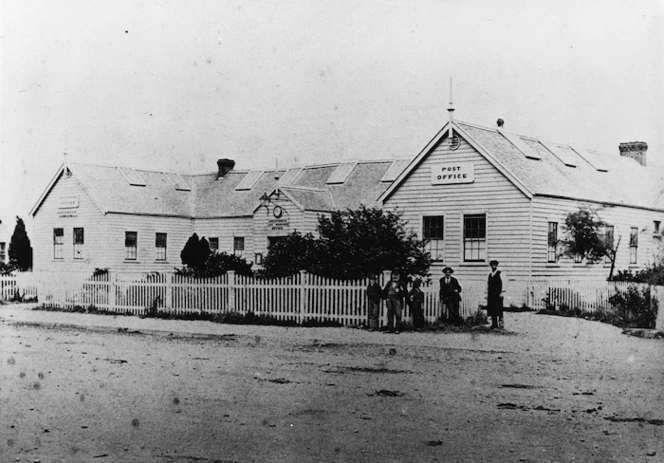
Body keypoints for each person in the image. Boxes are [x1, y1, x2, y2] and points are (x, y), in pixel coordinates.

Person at [382, 268, 407, 333]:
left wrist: (400, 291)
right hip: (390, 300)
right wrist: (386, 298)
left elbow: (406, 293)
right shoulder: (389, 283)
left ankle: (398, 329)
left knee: (398, 314)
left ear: (399, 275)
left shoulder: (401, 283)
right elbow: (384, 291)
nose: (394, 276)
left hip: (397, 300)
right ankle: (390, 328)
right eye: (393, 275)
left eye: (396, 275)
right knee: (389, 314)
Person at [487, 260, 504, 329]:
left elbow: (504, 283)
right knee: (492, 309)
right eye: (492, 265)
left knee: (499, 308)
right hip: (491, 294)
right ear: (491, 266)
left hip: (498, 294)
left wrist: (502, 292)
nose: (493, 266)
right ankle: (494, 324)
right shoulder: (490, 275)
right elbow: (488, 285)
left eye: (495, 265)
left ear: (496, 266)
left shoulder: (500, 273)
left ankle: (501, 324)